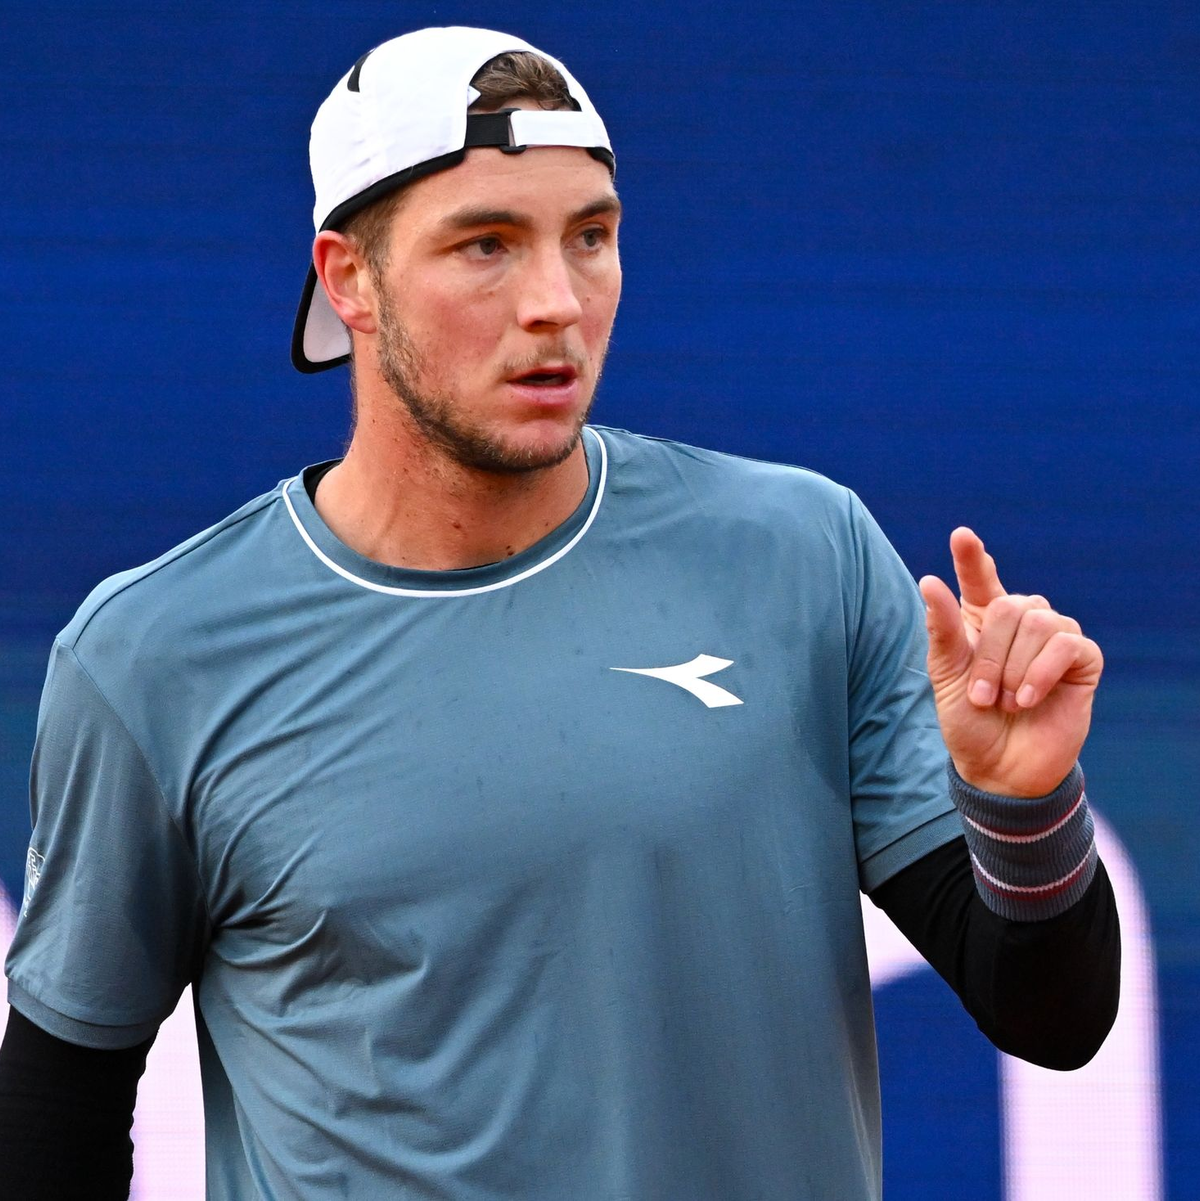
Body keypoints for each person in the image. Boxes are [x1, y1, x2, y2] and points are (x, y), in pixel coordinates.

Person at [0, 25, 1119, 1201]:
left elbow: (1053, 1018)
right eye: (485, 245)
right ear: (348, 279)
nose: (556, 303)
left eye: (591, 236)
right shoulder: (155, 655)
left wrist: (1024, 803)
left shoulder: (805, 554)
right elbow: (57, 1108)